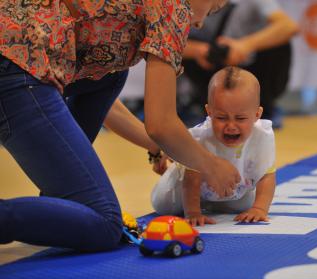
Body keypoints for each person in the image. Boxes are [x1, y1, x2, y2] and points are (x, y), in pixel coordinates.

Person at [0, 0, 242, 252]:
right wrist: (210, 164)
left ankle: (63, 200)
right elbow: (162, 124)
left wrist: (158, 147)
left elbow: (107, 95)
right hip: (15, 65)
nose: (201, 23)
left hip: (14, 50)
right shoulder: (175, 6)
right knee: (105, 225)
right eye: (213, 8)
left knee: (113, 73)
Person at [152, 67, 276, 226]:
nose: (231, 126)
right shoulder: (201, 137)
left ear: (257, 115)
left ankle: (212, 203)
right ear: (209, 112)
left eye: (240, 118)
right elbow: (192, 180)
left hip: (230, 192)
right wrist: (193, 213)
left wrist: (259, 209)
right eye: (222, 117)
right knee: (162, 204)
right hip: (184, 188)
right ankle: (177, 177)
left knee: (244, 205)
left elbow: (267, 176)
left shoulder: (262, 135)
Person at [179, 0, 299, 128]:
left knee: (279, 43)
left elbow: (289, 26)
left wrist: (244, 46)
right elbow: (163, 41)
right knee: (177, 47)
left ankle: (265, 103)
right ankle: (197, 105)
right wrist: (199, 50)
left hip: (252, 67)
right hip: (210, 67)